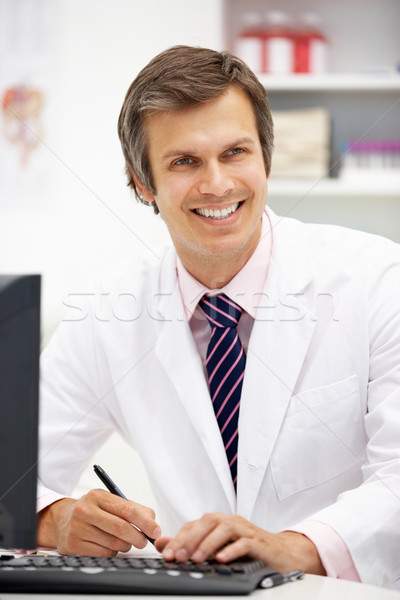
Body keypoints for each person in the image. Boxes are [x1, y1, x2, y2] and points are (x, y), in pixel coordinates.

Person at [36, 45, 400, 589]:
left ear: (265, 159)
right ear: (143, 181)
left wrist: (293, 547)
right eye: (184, 161)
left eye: (235, 153)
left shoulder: (376, 279)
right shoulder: (106, 313)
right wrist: (53, 519)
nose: (217, 184)